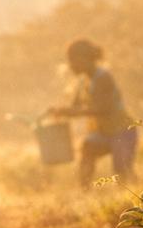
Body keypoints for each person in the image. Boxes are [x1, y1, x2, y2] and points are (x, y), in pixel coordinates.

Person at [50, 39, 137, 185]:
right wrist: (59, 111)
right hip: (106, 132)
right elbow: (75, 106)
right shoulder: (83, 80)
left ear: (85, 59)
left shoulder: (103, 77)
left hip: (123, 131)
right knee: (87, 149)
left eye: (73, 60)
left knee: (122, 172)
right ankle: (84, 194)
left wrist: (70, 113)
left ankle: (138, 199)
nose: (71, 65)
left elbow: (102, 108)